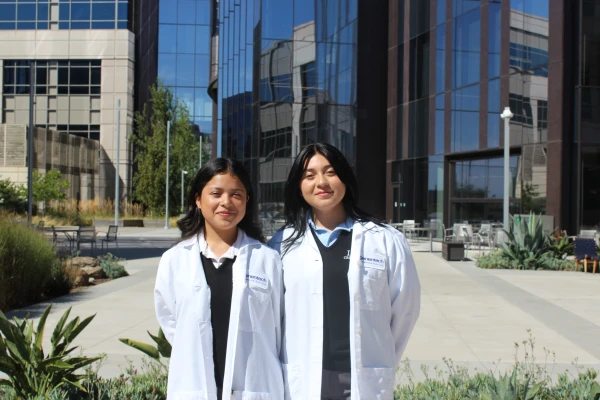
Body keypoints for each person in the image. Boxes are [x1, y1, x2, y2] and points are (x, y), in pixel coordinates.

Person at [269, 143, 421, 400]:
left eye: (330, 172)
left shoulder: (385, 240)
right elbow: (272, 318)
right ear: (299, 185)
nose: (321, 182)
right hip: (302, 378)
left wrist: (378, 357)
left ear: (345, 178)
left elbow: (406, 310)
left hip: (363, 379)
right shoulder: (281, 245)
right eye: (309, 175)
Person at [155, 158, 284, 400]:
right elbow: (172, 323)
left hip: (254, 386)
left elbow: (277, 326)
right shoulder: (174, 261)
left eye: (236, 194)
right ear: (198, 199)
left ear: (247, 200)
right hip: (194, 385)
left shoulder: (268, 260)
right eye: (216, 193)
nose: (226, 202)